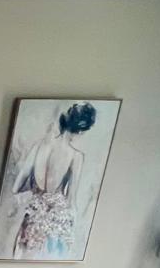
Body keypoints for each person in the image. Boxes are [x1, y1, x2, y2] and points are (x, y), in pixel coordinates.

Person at [10, 102, 96, 258]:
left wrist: (32, 197)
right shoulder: (76, 157)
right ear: (82, 130)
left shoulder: (39, 146)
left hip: (31, 222)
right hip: (55, 227)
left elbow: (16, 187)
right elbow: (71, 200)